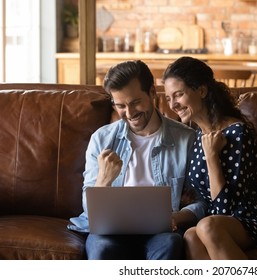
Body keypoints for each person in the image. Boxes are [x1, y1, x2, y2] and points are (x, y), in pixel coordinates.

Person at [68, 60, 207, 260]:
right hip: (111, 233)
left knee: (171, 243)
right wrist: (104, 181)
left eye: (135, 102)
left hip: (161, 232)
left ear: (152, 93)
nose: (130, 113)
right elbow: (90, 212)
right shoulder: (102, 139)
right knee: (101, 250)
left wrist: (175, 217)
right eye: (121, 106)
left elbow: (202, 202)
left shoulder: (186, 139)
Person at [162, 56, 257, 260]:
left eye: (179, 95)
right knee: (190, 235)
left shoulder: (237, 133)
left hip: (251, 220)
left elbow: (224, 208)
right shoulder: (197, 136)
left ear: (201, 90)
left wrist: (212, 157)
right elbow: (203, 199)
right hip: (215, 221)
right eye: (168, 98)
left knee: (207, 226)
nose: (173, 104)